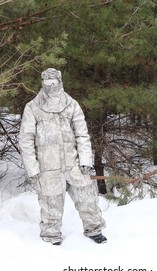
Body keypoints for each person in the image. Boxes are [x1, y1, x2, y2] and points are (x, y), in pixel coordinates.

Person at [19, 68, 107, 245]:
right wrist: (33, 167)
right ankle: (51, 236)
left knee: (87, 198)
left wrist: (85, 161)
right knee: (51, 204)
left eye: (54, 83)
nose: (51, 87)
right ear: (42, 84)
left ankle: (94, 230)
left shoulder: (71, 104)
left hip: (73, 164)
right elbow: (26, 139)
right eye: (47, 84)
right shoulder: (33, 107)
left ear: (60, 82)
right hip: (47, 167)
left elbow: (82, 134)